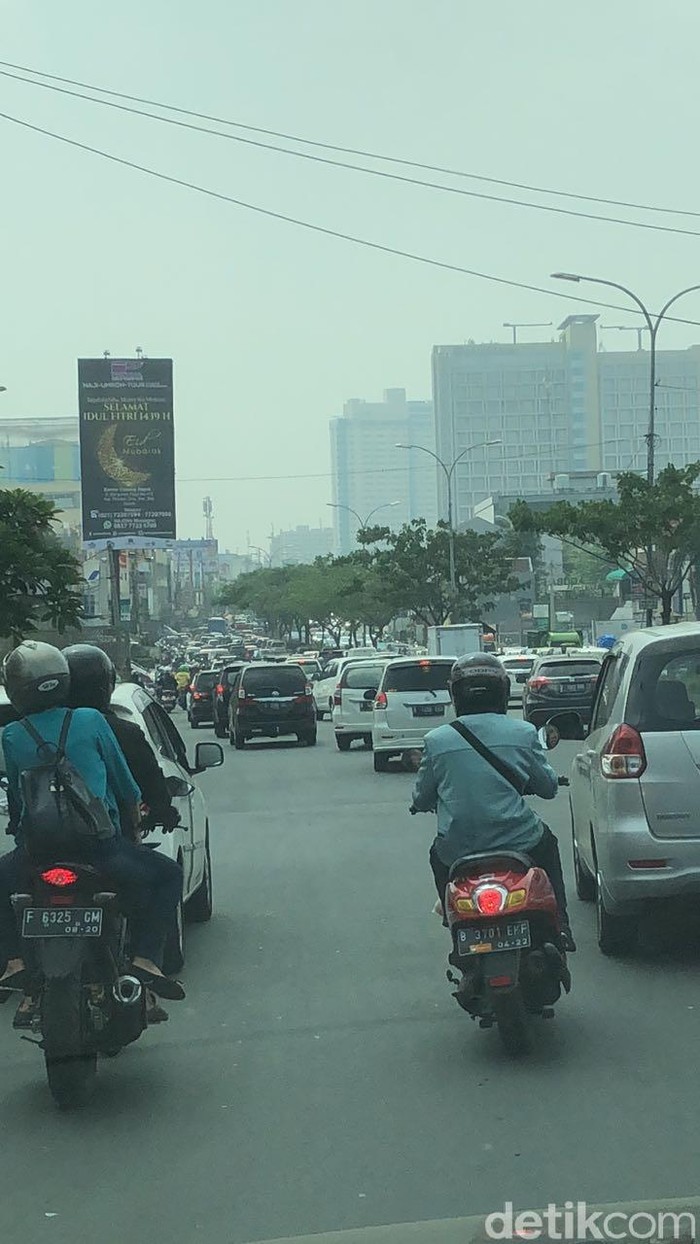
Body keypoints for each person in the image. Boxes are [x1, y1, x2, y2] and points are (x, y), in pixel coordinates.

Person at [0, 642, 186, 1003]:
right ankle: (145, 959)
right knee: (168, 875)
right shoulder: (90, 721)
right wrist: (130, 826)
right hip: (99, 848)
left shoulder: (11, 734)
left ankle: (13, 961)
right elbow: (126, 788)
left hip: (37, 853)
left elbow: (19, 803)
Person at [411, 652, 574, 951]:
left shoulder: (436, 740)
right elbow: (548, 787)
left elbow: (421, 797)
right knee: (548, 844)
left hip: (457, 847)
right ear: (502, 691)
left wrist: (423, 803)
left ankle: (454, 920)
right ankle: (561, 924)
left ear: (455, 694)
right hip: (519, 840)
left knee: (437, 854)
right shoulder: (524, 732)